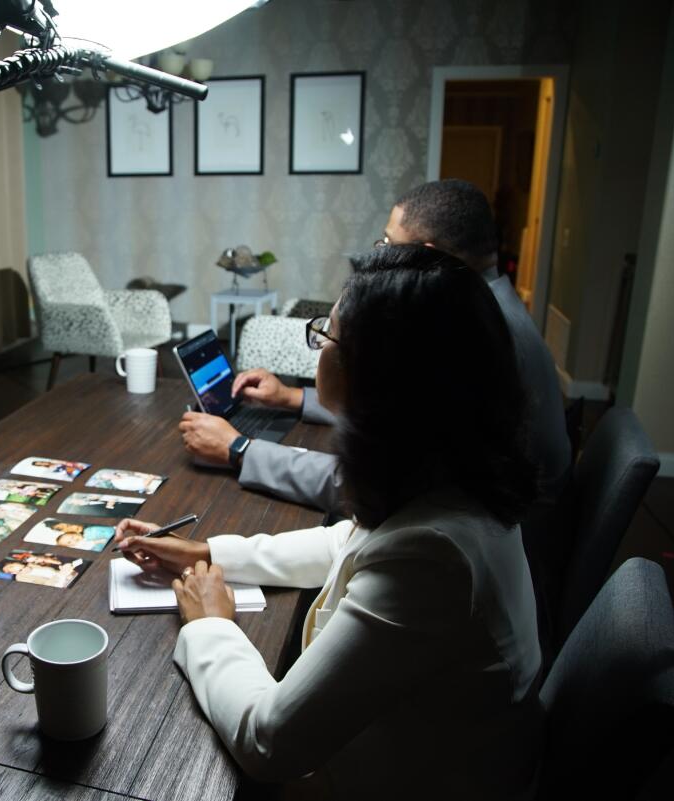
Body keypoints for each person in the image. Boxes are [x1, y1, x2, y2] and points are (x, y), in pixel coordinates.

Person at [120, 245, 543, 798]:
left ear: (384, 376)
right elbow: (346, 541)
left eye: (327, 336)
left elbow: (268, 743)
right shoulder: (457, 472)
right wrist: (209, 554)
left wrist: (211, 624)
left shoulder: (434, 560)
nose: (317, 347)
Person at [180, 179, 570, 516]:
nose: (378, 254)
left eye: (387, 243)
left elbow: (375, 481)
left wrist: (239, 449)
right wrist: (293, 398)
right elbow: (395, 412)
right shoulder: (486, 309)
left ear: (427, 255)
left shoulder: (474, 338)